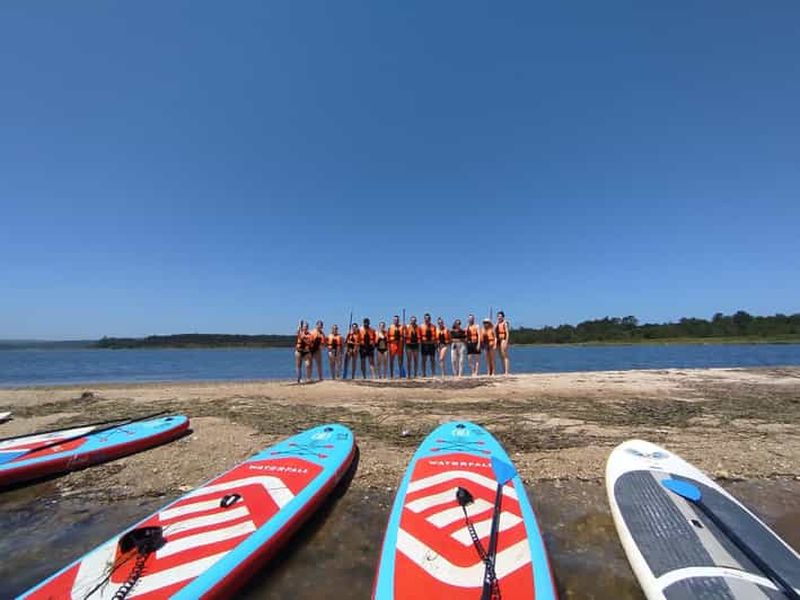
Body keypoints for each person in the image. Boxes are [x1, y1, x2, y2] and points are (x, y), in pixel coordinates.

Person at [420, 313, 437, 377]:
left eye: (428, 318)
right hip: (424, 345)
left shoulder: (433, 326)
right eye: (426, 318)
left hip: (431, 345)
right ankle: (423, 373)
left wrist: (436, 345)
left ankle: (433, 373)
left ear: (430, 319)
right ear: (424, 319)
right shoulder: (421, 326)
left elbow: (436, 336)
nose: (427, 319)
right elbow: (419, 336)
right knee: (424, 360)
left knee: (432, 359)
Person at [495, 310, 511, 375]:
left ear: (503, 317)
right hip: (498, 340)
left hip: (503, 339)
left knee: (505, 355)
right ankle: (504, 370)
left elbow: (507, 333)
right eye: (498, 316)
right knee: (501, 356)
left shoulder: (505, 323)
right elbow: (494, 330)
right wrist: (496, 323)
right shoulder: (497, 324)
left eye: (500, 316)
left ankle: (507, 371)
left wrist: (506, 341)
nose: (499, 317)